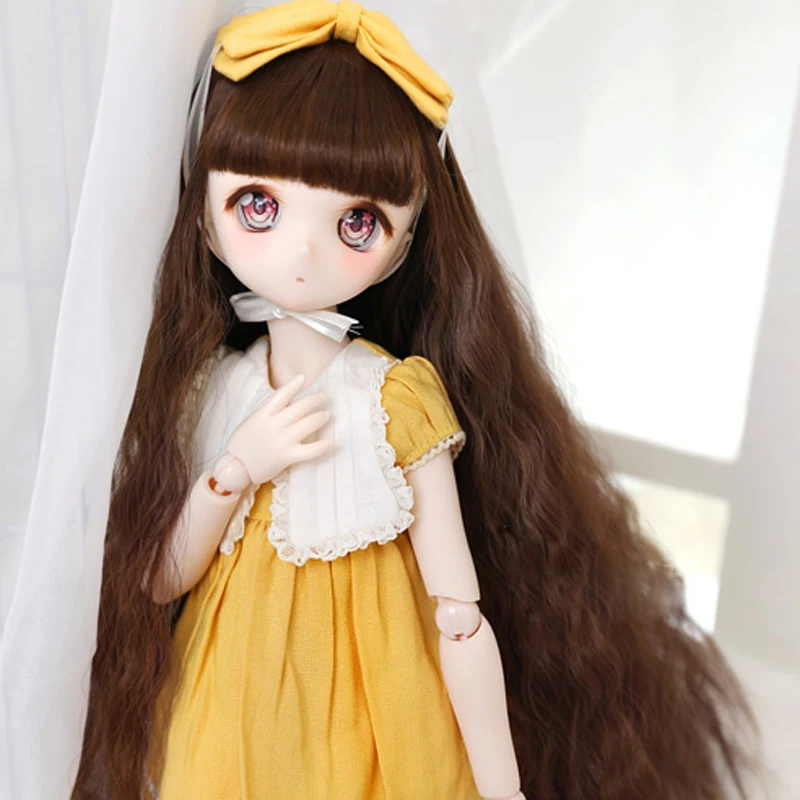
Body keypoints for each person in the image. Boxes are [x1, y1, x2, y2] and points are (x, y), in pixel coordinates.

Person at [73, 2, 761, 798]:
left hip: (377, 703)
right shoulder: (213, 391)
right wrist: (234, 469)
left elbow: (459, 613)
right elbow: (161, 580)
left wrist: (502, 786)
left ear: (404, 241)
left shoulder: (392, 400)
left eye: (356, 222)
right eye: (258, 205)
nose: (302, 250)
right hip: (230, 705)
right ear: (203, 211)